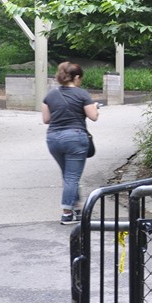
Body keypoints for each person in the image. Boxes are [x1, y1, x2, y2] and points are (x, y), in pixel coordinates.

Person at [42, 62, 99, 225]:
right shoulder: (82, 94)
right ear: (76, 77)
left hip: (53, 138)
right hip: (75, 138)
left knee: (68, 176)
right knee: (72, 177)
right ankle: (67, 213)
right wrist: (95, 107)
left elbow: (46, 119)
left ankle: (78, 210)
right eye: (80, 78)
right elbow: (93, 116)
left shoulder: (50, 95)